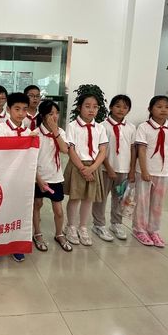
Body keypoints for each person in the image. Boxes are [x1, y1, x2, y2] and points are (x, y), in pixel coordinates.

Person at [0, 92, 34, 263]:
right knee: (0, 211)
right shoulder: (1, 128)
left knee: (18, 211)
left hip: (21, 179)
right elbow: (1, 151)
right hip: (3, 177)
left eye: (24, 109)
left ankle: (16, 245)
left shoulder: (29, 132)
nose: (21, 113)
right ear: (8, 109)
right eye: (17, 109)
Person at [132, 95, 168, 248]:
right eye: (159, 107)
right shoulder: (143, 127)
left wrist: (163, 168)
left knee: (158, 204)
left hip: (164, 172)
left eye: (167, 107)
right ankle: (139, 229)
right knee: (142, 202)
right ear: (150, 109)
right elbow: (141, 150)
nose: (163, 110)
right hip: (145, 172)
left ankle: (154, 230)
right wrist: (144, 170)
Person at [63, 93, 108, 247]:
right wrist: (83, 169)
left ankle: (83, 227)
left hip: (94, 166)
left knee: (88, 199)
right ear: (79, 108)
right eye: (87, 106)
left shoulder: (100, 128)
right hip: (78, 165)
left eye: (95, 107)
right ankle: (71, 226)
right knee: (75, 198)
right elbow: (70, 149)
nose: (91, 110)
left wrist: (93, 168)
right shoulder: (72, 126)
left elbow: (103, 150)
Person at [92, 95, 136, 242]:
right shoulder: (102, 126)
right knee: (101, 198)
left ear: (128, 110)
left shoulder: (131, 128)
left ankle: (116, 223)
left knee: (119, 198)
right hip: (105, 169)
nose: (121, 109)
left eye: (125, 107)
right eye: (117, 106)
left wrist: (131, 169)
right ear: (110, 107)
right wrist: (109, 168)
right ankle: (98, 224)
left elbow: (133, 149)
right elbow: (100, 150)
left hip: (123, 170)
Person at [33, 100, 72, 253]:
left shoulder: (60, 132)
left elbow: (65, 150)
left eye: (57, 113)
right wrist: (38, 179)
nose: (55, 116)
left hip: (55, 178)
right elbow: (31, 160)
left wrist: (55, 131)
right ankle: (37, 234)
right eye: (50, 114)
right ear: (43, 116)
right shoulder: (35, 133)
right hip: (38, 178)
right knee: (37, 205)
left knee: (59, 210)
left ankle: (59, 234)